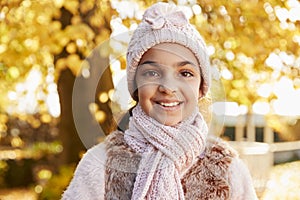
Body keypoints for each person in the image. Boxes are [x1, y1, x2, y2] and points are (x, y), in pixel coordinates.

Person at [62, 2, 257, 200]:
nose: (168, 87)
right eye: (152, 73)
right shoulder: (100, 164)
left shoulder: (227, 168)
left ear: (201, 87)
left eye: (185, 73)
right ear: (136, 86)